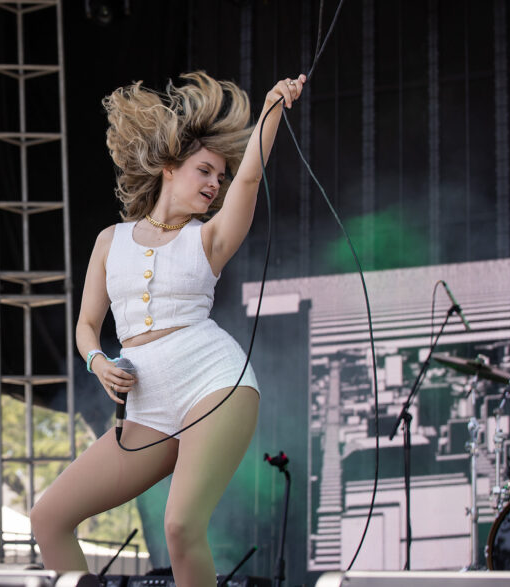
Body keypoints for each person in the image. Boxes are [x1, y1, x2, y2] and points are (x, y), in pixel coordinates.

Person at [29, 72, 305, 586]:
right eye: (204, 171)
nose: (213, 184)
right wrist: (98, 362)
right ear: (169, 168)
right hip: (147, 406)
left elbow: (248, 178)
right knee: (49, 517)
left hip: (214, 384)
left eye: (218, 178)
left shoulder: (211, 238)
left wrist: (270, 111)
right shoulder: (110, 241)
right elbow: (87, 326)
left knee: (180, 525)